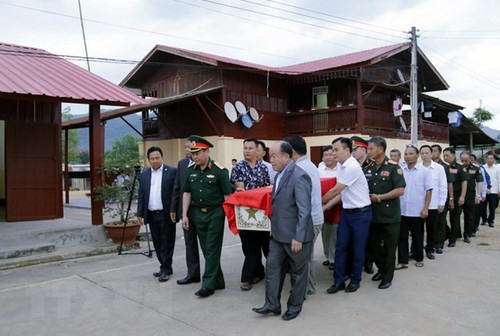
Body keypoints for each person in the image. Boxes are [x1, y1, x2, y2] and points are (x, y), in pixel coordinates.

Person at [252, 141, 314, 321]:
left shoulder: (300, 176)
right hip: (278, 236)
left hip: (296, 237)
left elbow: (304, 210)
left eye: (273, 156)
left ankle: (294, 307)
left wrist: (299, 237)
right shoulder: (279, 175)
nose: (270, 160)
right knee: (272, 269)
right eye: (269, 156)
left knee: (297, 274)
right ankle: (272, 304)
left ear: (287, 157)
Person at [182, 135, 233, 298]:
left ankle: (208, 285)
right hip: (198, 214)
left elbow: (227, 196)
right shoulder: (191, 171)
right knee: (206, 248)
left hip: (216, 213)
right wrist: (184, 215)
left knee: (211, 248)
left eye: (198, 153)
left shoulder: (220, 171)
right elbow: (187, 193)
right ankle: (218, 280)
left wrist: (229, 217)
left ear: (207, 151)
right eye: (193, 153)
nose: (194, 156)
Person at [323, 137, 372, 294]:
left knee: (357, 248)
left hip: (360, 214)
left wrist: (318, 202)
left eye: (336, 150)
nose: (333, 153)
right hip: (347, 213)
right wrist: (325, 206)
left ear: (347, 150)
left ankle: (355, 280)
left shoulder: (352, 167)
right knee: (341, 248)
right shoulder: (342, 167)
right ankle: (339, 281)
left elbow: (336, 190)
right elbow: (342, 193)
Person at [364, 136, 405, 289]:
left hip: (390, 217)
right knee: (374, 247)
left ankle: (387, 277)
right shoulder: (368, 168)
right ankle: (382, 269)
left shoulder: (393, 167)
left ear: (380, 150)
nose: (368, 151)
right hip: (373, 216)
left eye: (371, 149)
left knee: (389, 249)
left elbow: (400, 190)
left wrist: (379, 198)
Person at [284, 136, 324, 296]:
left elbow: (301, 201)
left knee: (302, 258)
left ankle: (306, 288)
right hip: (312, 218)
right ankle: (308, 287)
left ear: (291, 152)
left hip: (308, 220)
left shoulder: (300, 169)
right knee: (305, 256)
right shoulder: (308, 165)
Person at [230, 138, 271, 291]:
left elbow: (267, 187)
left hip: (261, 212)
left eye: (250, 148)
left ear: (257, 150)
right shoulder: (238, 167)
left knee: (265, 244)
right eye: (245, 148)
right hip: (245, 213)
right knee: (249, 247)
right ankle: (247, 278)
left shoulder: (263, 167)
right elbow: (241, 190)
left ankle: (261, 272)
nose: (247, 151)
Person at [137, 146, 177, 282]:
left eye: (157, 158)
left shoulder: (171, 172)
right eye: (152, 159)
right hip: (151, 214)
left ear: (162, 158)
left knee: (167, 242)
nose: (155, 161)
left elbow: (175, 193)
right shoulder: (145, 174)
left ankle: (166, 268)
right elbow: (141, 195)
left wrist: (174, 210)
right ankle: (164, 266)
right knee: (157, 243)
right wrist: (139, 213)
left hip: (166, 214)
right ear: (148, 160)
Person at [170, 139, 200, 285]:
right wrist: (174, 209)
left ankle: (212, 276)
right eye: (186, 147)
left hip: (201, 210)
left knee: (207, 245)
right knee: (189, 242)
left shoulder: (203, 163)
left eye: (190, 147)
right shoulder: (182, 164)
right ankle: (193, 273)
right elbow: (177, 187)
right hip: (186, 212)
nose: (187, 150)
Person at [397, 145, 432, 269]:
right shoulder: (400, 170)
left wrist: (426, 208)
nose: (408, 156)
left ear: (417, 155)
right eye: (406, 154)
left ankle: (419, 257)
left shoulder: (425, 171)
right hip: (401, 210)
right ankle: (402, 261)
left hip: (417, 211)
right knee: (402, 237)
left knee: (417, 236)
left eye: (411, 154)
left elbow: (428, 191)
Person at [420, 145, 448, 260]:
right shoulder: (417, 167)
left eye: (427, 153)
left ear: (431, 154)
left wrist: (442, 202)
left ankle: (430, 248)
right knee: (418, 229)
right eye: (422, 153)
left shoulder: (439, 168)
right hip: (419, 204)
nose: (425, 155)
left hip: (433, 204)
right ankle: (416, 249)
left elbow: (443, 186)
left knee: (432, 228)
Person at [431, 144, 455, 254]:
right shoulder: (425, 165)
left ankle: (439, 245)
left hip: (441, 198)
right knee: (432, 223)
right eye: (431, 151)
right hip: (429, 199)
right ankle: (431, 242)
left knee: (441, 222)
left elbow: (449, 184)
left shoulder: (444, 166)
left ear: (439, 153)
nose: (432, 153)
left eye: (435, 151)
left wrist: (450, 198)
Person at [317, 145, 338, 271]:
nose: (328, 157)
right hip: (320, 204)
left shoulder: (341, 169)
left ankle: (333, 258)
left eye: (331, 154)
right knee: (325, 232)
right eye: (325, 155)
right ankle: (327, 256)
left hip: (336, 204)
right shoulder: (318, 170)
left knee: (334, 232)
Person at [443, 147, 468, 247]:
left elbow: (464, 182)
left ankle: (452, 239)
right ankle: (447, 233)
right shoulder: (442, 167)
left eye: (447, 155)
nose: (445, 157)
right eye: (444, 155)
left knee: (454, 218)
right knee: (441, 218)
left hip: (456, 195)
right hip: (444, 195)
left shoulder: (460, 167)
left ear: (453, 155)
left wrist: (462, 196)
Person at [459, 151, 483, 243]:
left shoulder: (476, 169)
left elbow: (479, 182)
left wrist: (478, 195)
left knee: (469, 216)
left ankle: (467, 235)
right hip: (458, 195)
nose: (464, 162)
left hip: (470, 196)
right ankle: (456, 234)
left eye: (466, 160)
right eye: (462, 160)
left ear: (470, 159)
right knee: (455, 216)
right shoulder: (457, 168)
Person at [471, 153, 490, 234]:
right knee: (469, 214)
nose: (470, 161)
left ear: (475, 160)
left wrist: (483, 195)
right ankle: (470, 229)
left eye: (472, 160)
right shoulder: (463, 169)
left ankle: (475, 227)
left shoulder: (479, 169)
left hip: (477, 195)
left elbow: (484, 183)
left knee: (476, 212)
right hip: (468, 195)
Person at [482, 153, 499, 227]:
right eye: (488, 158)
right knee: (482, 206)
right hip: (484, 191)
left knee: (492, 207)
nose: (489, 160)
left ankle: (491, 221)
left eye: (491, 158)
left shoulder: (498, 168)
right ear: (486, 159)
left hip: (494, 191)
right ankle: (484, 219)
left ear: (494, 159)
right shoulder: (482, 167)